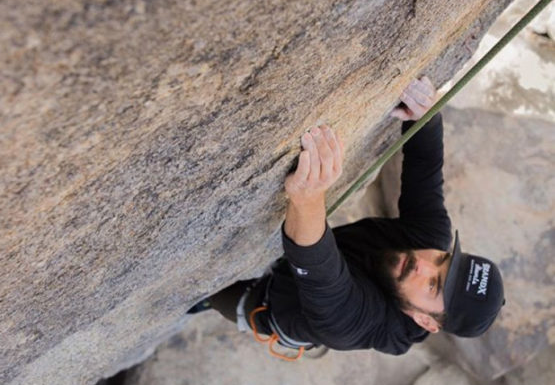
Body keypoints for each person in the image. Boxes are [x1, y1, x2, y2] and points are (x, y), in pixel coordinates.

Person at [189, 77, 504, 356]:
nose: (424, 264)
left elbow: (320, 269)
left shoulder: (364, 325)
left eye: (433, 285)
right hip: (308, 258)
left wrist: (309, 197)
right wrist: (426, 115)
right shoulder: (429, 241)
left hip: (272, 303)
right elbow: (426, 168)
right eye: (442, 260)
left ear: (425, 321)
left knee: (208, 295)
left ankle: (203, 304)